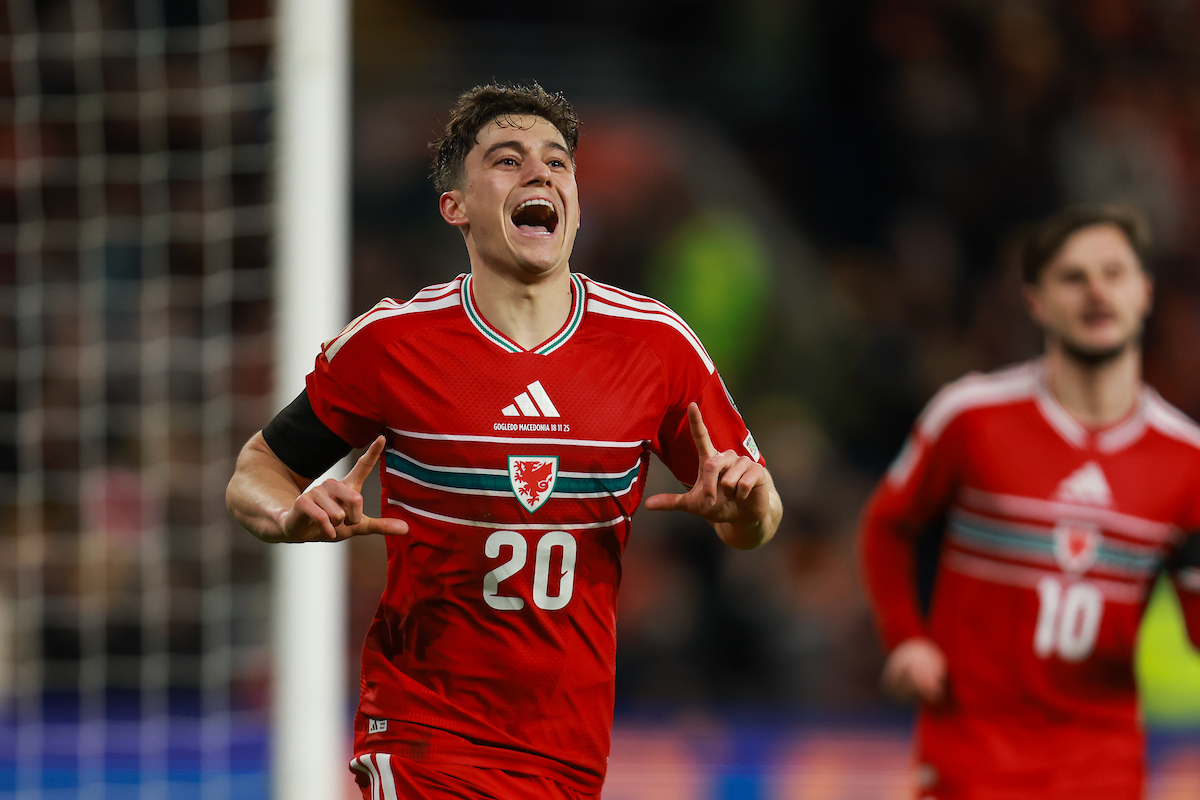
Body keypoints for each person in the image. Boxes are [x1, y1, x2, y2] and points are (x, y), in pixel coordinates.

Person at [226, 83, 782, 800]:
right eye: (508, 160)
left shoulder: (656, 345)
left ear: (575, 201)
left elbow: (757, 517)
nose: (539, 174)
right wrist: (287, 515)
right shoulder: (393, 343)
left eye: (557, 162)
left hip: (568, 749)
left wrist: (744, 508)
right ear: (454, 206)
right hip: (424, 735)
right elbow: (258, 469)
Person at [858, 204, 1200, 799]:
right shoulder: (971, 417)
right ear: (1036, 301)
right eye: (1073, 277)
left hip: (1103, 766)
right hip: (972, 756)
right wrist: (905, 636)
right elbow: (887, 525)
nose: (1096, 292)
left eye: (1113, 273)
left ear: (1145, 293)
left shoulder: (1187, 460)